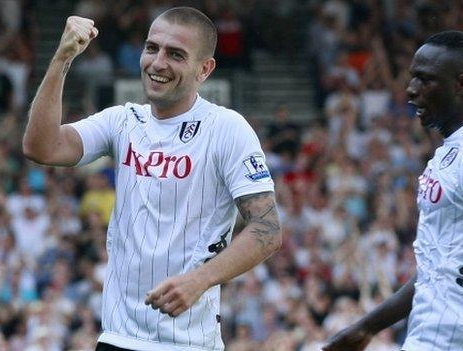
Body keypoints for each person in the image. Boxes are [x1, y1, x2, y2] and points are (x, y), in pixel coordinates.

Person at [22, 7, 282, 351]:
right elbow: (41, 147)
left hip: (189, 344)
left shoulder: (227, 128)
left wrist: (200, 281)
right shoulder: (123, 120)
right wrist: (62, 58)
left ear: (204, 69)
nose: (158, 63)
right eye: (151, 48)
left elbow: (267, 229)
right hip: (116, 339)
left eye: (175, 54)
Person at [323, 31, 463, 351]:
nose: (411, 90)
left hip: (460, 341)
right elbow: (436, 273)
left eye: (425, 80)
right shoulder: (451, 152)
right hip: (431, 336)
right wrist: (366, 328)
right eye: (413, 78)